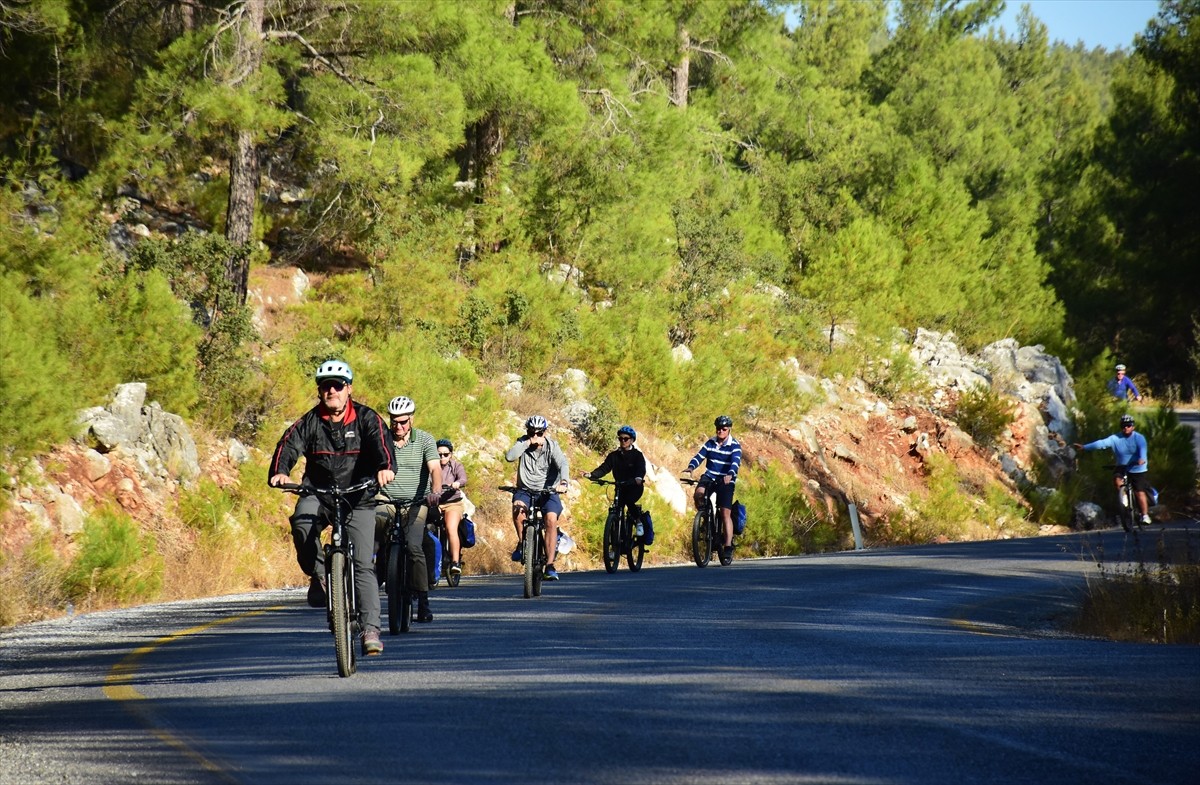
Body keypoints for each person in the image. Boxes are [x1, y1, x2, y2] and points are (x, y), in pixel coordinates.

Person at [268, 360, 395, 657]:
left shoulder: (366, 418)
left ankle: (370, 629)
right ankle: (321, 574)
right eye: (326, 386)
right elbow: (287, 445)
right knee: (301, 522)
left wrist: (385, 468)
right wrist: (280, 472)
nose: (331, 391)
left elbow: (383, 446)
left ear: (348, 388)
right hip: (320, 492)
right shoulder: (310, 421)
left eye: (337, 385)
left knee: (363, 564)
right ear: (320, 391)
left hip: (358, 496)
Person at [377, 396, 442, 623]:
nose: (398, 426)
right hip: (385, 499)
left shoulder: (424, 439)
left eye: (403, 422)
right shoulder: (382, 438)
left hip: (417, 503)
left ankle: (423, 602)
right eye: (394, 421)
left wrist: (435, 491)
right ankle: (372, 576)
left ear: (411, 419)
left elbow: (434, 468)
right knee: (373, 526)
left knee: (414, 547)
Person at [505, 414, 570, 581]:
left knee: (550, 520)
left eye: (539, 433)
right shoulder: (523, 442)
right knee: (518, 511)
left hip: (548, 491)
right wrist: (527, 442)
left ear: (545, 432)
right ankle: (522, 543)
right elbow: (510, 457)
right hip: (525, 490)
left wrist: (563, 482)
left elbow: (562, 463)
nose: (535, 437)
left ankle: (549, 565)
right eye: (531, 433)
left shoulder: (552, 446)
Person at [1074, 413, 1152, 526]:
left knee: (1139, 491)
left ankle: (1145, 515)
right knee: (1117, 480)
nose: (1126, 428)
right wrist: (1084, 447)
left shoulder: (1139, 438)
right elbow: (1101, 443)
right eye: (1124, 426)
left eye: (1129, 425)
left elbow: (1143, 451)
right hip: (1122, 466)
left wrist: (1141, 459)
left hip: (1137, 468)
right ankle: (1123, 498)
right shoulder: (1115, 438)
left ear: (1133, 426)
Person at [684, 415, 742, 563]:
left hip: (726, 479)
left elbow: (735, 463)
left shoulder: (734, 445)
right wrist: (691, 467)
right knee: (699, 494)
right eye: (718, 429)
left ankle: (728, 547)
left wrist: (730, 474)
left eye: (724, 429)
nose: (720, 431)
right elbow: (700, 456)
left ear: (729, 430)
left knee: (724, 513)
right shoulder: (710, 443)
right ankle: (704, 517)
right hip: (710, 476)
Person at [582, 425, 647, 537]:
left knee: (628, 500)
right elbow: (604, 468)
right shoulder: (614, 456)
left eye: (625, 439)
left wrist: (638, 478)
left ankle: (638, 522)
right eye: (620, 438)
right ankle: (616, 540)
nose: (623, 441)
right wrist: (591, 475)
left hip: (634, 487)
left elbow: (641, 468)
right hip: (620, 487)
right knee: (616, 508)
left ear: (631, 440)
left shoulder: (637, 455)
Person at [435, 438, 469, 578]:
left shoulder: (456, 466)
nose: (442, 457)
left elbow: (463, 479)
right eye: (439, 454)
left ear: (451, 454)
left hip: (453, 503)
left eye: (445, 454)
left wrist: (457, 483)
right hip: (434, 503)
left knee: (450, 528)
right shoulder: (431, 466)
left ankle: (455, 562)